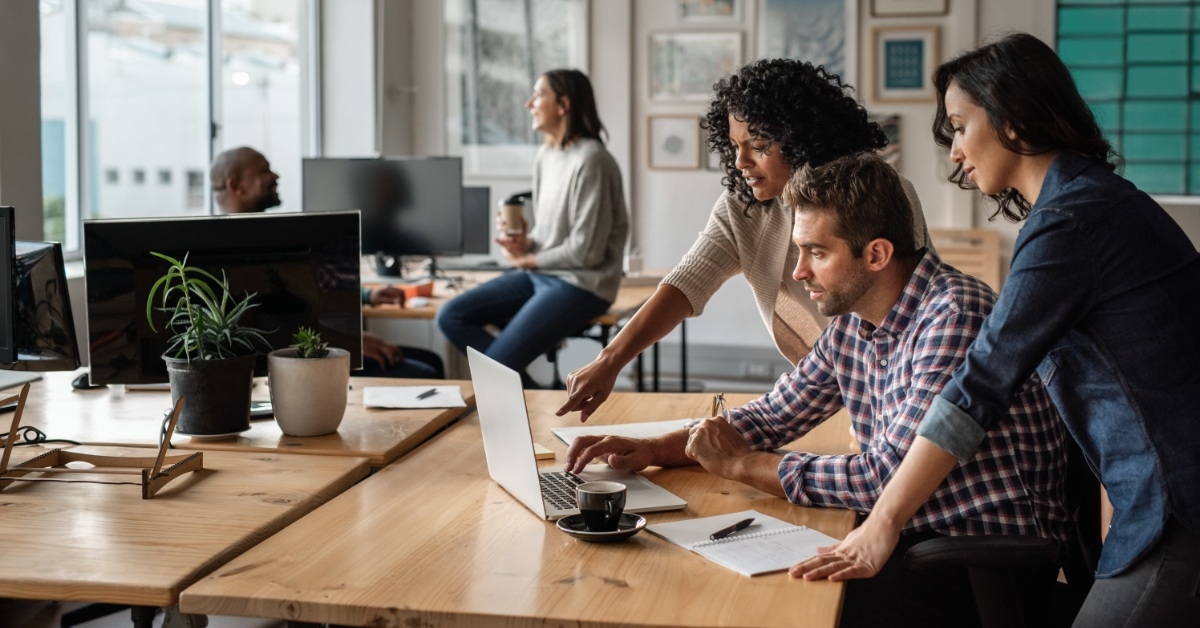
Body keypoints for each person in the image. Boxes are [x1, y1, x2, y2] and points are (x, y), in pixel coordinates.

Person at [793, 34, 1200, 628]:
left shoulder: (1070, 223)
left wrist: (883, 522)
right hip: (1157, 499)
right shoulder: (1085, 206)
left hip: (1179, 503)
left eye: (960, 125)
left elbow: (979, 385)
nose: (955, 151)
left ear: (1012, 117)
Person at [565, 153, 1067, 627]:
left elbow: (883, 478)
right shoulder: (859, 318)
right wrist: (658, 448)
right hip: (910, 538)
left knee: (752, 606)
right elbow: (773, 415)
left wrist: (742, 465)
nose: (799, 271)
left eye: (816, 252)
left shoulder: (952, 316)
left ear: (876, 254)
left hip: (975, 563)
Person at [558, 58, 932, 420]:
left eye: (757, 144)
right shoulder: (745, 206)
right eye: (735, 146)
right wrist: (610, 360)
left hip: (898, 383)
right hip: (821, 387)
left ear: (802, 137)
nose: (740, 161)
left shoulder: (878, 194)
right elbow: (687, 282)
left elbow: (909, 311)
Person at [436, 69, 628, 389]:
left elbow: (586, 251)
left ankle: (524, 401)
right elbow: (550, 238)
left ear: (563, 105)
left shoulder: (593, 160)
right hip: (544, 275)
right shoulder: (546, 156)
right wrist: (525, 244)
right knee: (451, 316)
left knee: (496, 366)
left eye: (539, 94)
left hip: (582, 285)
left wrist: (528, 261)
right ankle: (531, 397)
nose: (529, 103)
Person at [210, 146, 444, 379]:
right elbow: (276, 329)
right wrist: (352, 344)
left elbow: (310, 294)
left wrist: (367, 297)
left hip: (319, 343)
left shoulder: (264, 238)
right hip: (296, 361)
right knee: (426, 371)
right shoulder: (232, 252)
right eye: (264, 171)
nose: (275, 176)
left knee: (431, 360)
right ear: (235, 186)